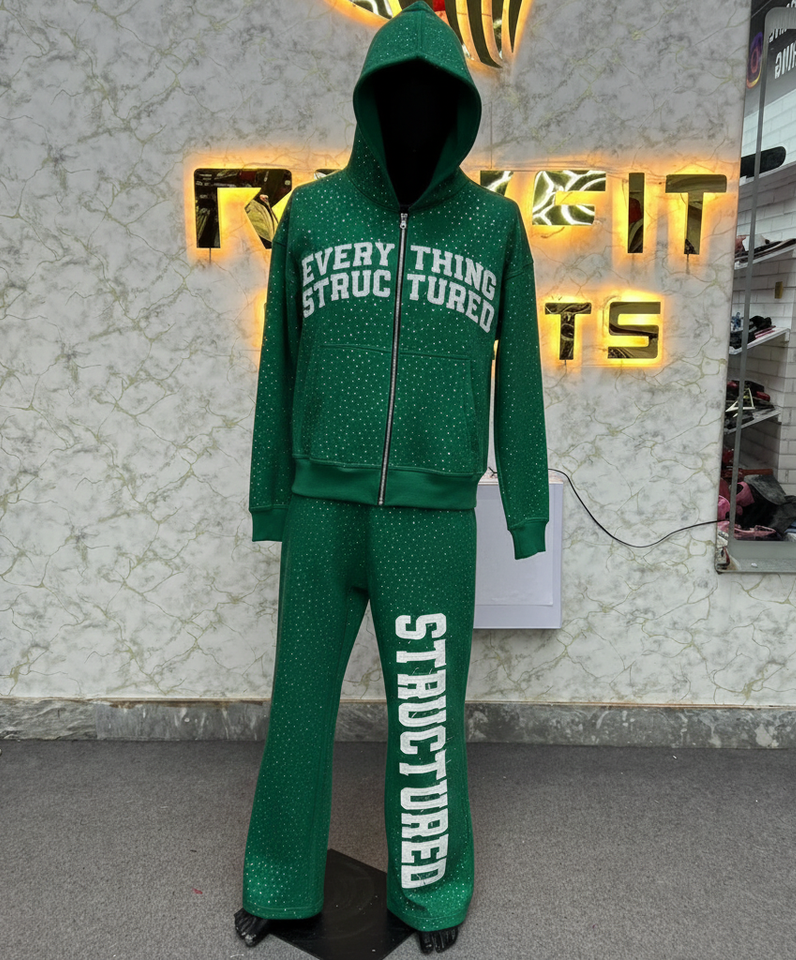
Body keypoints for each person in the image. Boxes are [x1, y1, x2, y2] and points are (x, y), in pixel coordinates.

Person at [235, 3, 548, 952]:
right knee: (298, 709)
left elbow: (521, 379)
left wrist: (526, 509)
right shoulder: (312, 214)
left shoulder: (495, 227)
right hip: (322, 512)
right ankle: (277, 882)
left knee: (425, 719)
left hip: (432, 520)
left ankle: (431, 894)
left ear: (459, 113)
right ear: (368, 104)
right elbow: (279, 364)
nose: (414, 114)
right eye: (397, 96)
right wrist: (272, 494)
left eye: (434, 99)